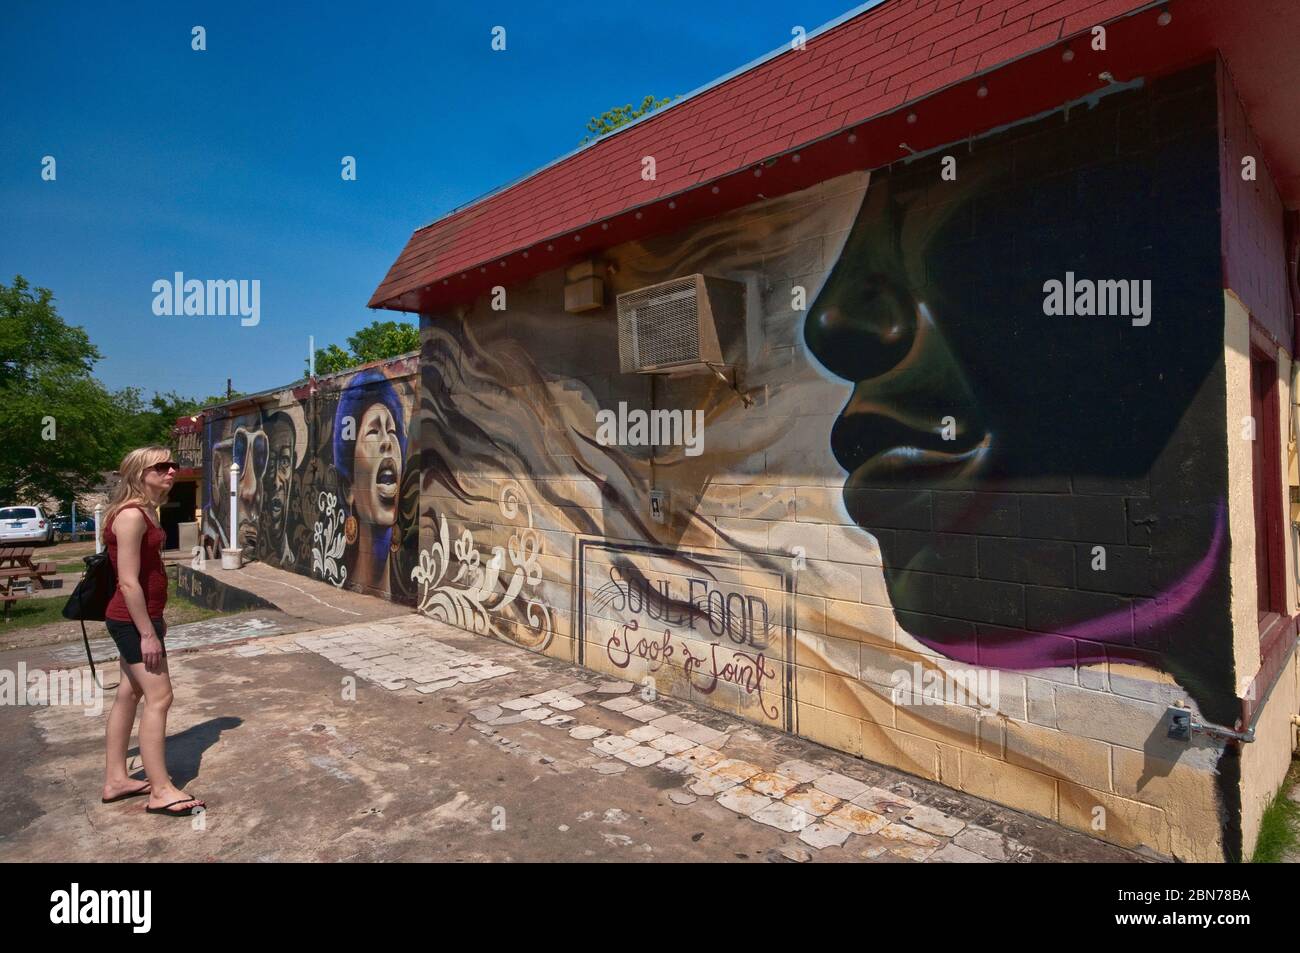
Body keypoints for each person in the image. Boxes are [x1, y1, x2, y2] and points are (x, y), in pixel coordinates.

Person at [100, 446, 206, 817]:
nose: (171, 471)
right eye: (160, 467)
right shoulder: (130, 516)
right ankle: (160, 790)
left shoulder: (144, 510)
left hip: (140, 619)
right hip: (133, 622)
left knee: (128, 696)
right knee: (160, 698)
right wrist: (147, 633)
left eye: (172, 465)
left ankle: (116, 779)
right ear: (139, 472)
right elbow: (128, 583)